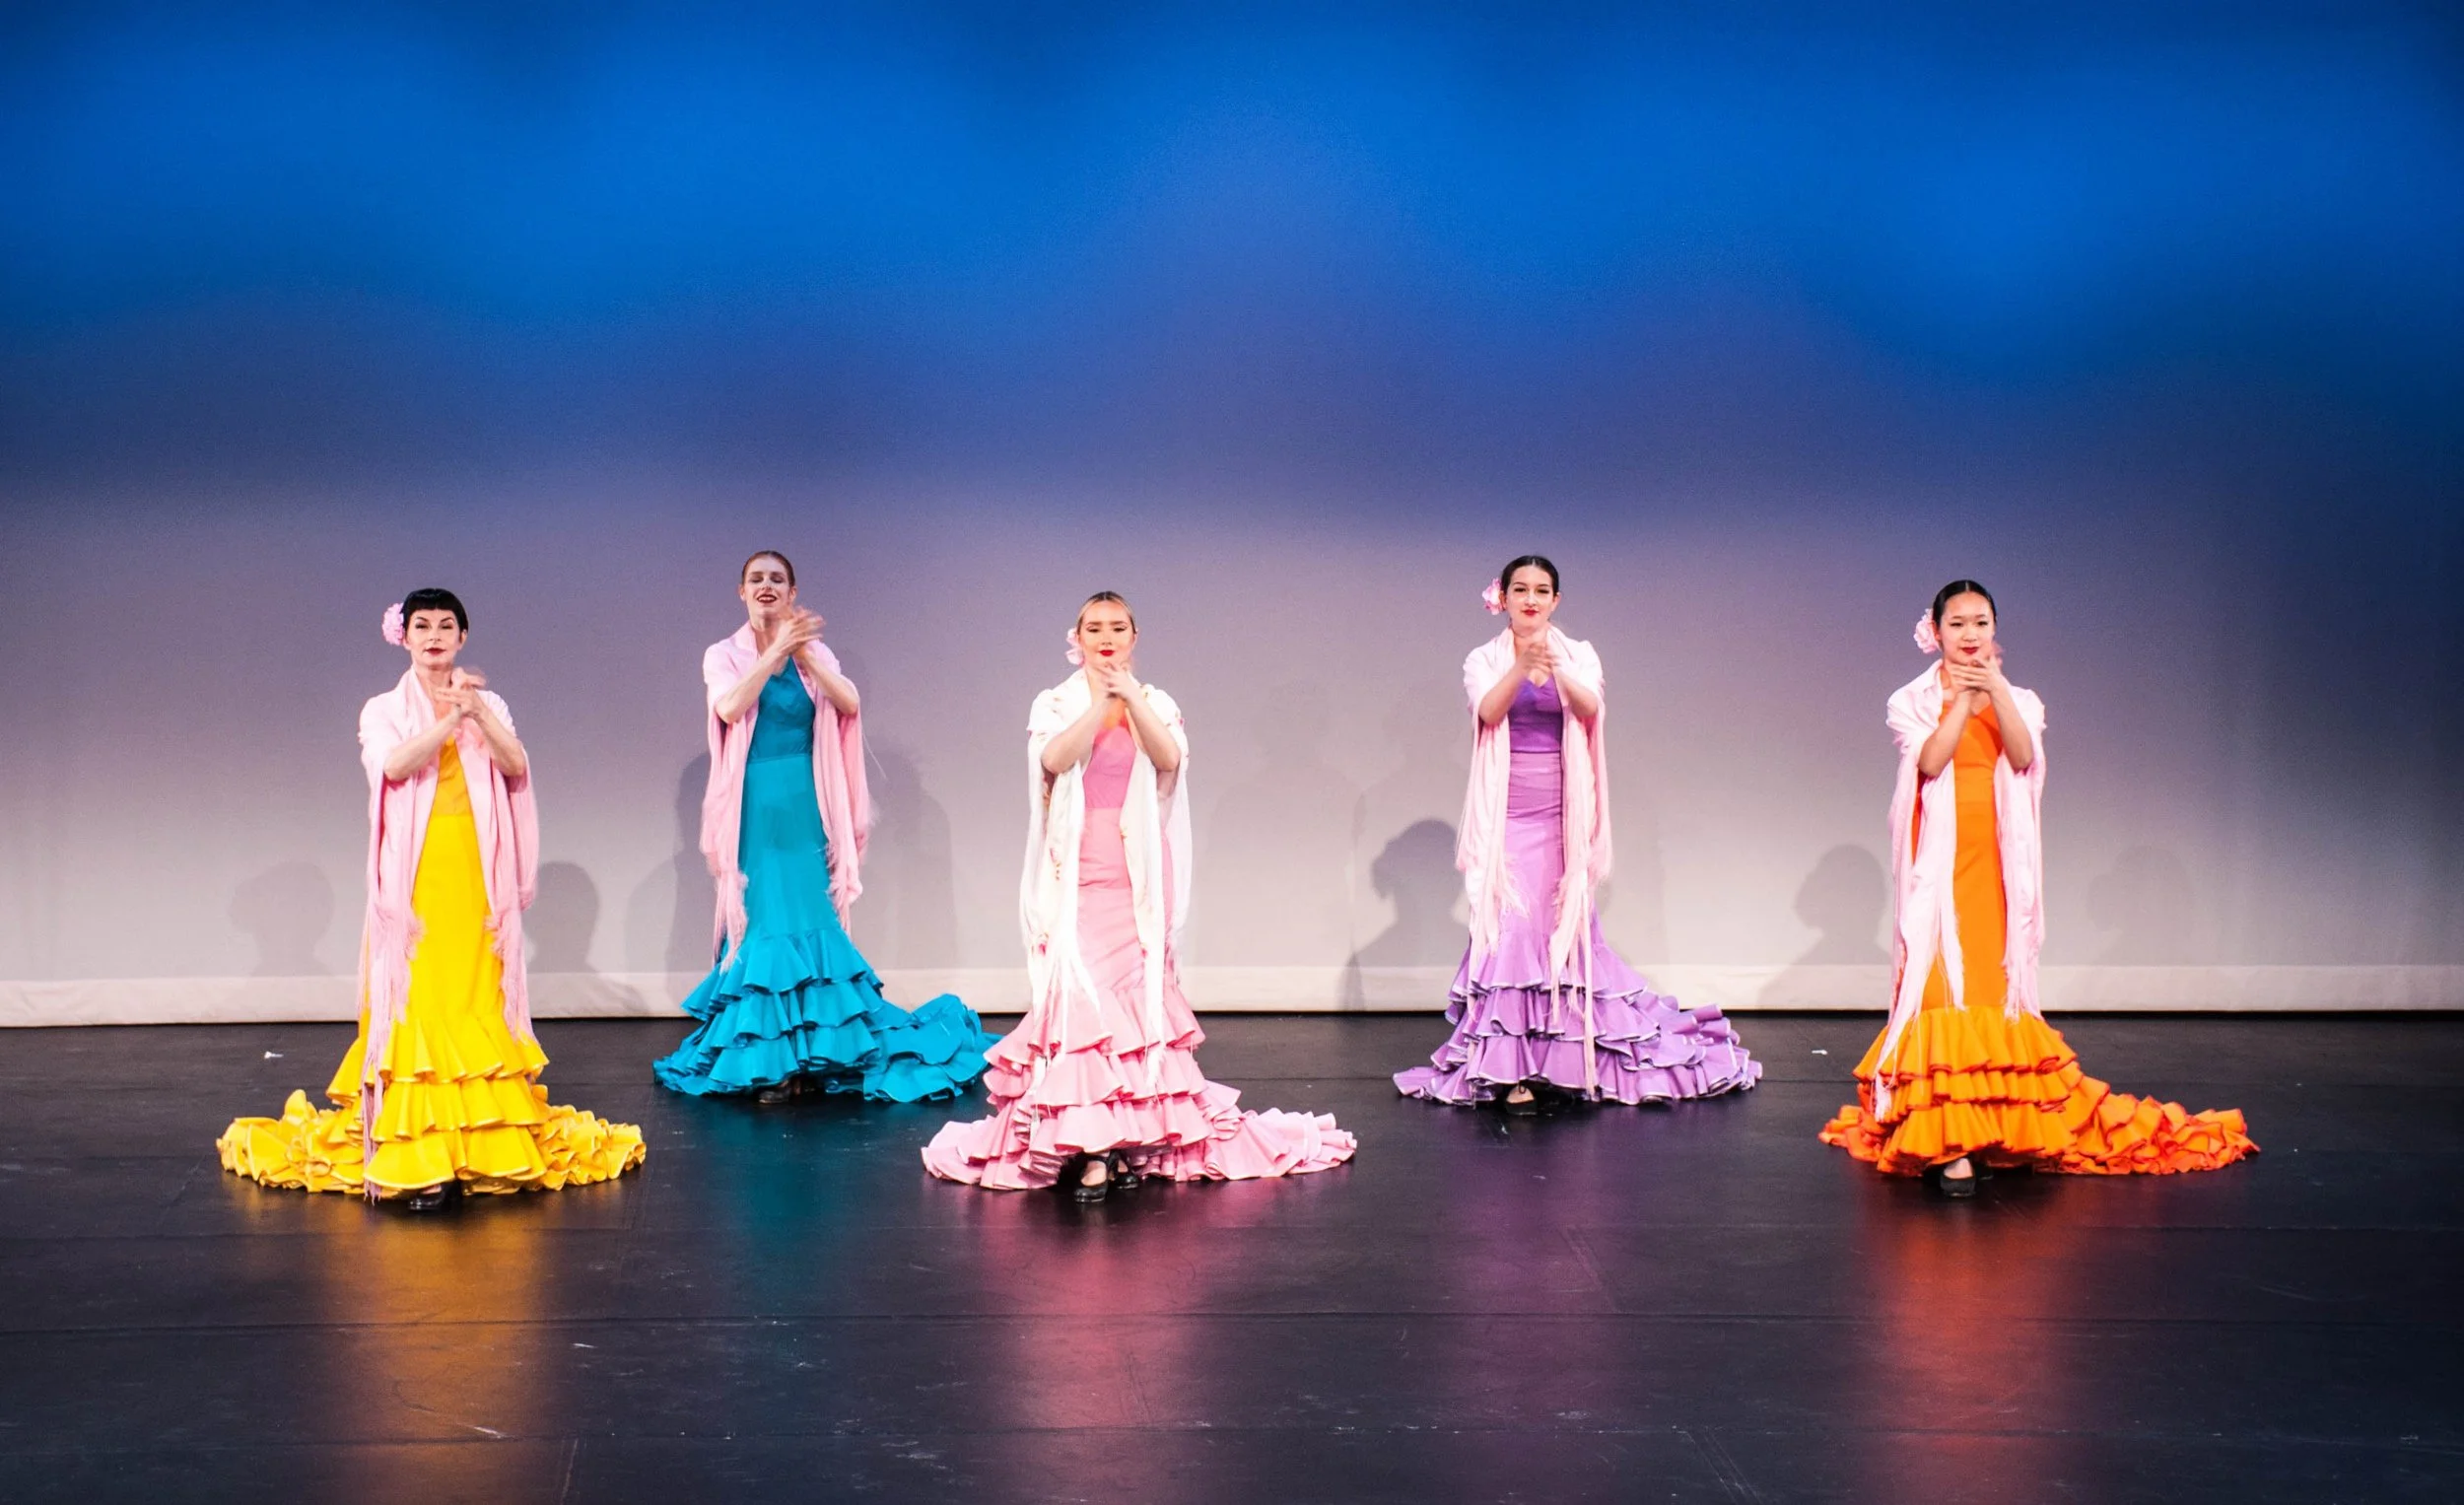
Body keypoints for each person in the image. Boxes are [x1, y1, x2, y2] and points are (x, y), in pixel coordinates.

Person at [1819, 581, 2256, 1196]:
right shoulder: (1910, 699)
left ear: (1995, 629)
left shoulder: (2021, 697)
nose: (1970, 635)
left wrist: (1994, 691)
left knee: (1992, 992)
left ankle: (1993, 1130)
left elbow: (2023, 757)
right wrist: (1963, 707)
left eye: (1981, 622)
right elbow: (1929, 762)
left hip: (1998, 867)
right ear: (1936, 632)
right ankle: (1951, 1145)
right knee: (1941, 990)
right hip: (1937, 872)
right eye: (1958, 624)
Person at [218, 590, 645, 1209]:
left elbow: (516, 763)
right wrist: (446, 722)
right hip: (415, 875)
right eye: (423, 625)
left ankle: (480, 1144)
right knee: (419, 998)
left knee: (473, 992)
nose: (435, 635)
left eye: (447, 625)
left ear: (463, 637)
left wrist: (475, 712)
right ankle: (420, 1153)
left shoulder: (487, 702)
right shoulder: (383, 708)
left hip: (475, 867)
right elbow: (392, 767)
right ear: (404, 637)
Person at [923, 591, 1355, 1199]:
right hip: (1074, 875)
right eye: (1094, 627)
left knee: (1132, 1011)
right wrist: (1097, 702)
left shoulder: (1156, 702)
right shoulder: (1056, 703)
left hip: (1138, 878)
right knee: (1085, 1009)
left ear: (1134, 637)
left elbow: (1169, 758)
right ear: (1076, 636)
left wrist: (1127, 698)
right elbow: (1052, 760)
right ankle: (1089, 1145)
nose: (1106, 637)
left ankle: (1122, 1138)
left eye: (1118, 628)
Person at [1396, 556, 1761, 1110]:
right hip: (1507, 823)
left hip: (1564, 819)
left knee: (1563, 938)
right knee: (1512, 937)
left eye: (1542, 591)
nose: (1531, 600)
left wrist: (1556, 668)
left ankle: (1567, 1057)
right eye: (1520, 589)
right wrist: (1521, 669)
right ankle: (1512, 1067)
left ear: (1556, 601)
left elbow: (1591, 707)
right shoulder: (1484, 658)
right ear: (1504, 598)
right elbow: (1487, 711)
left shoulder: (1579, 653)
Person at [654, 551, 990, 1103]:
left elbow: (849, 700)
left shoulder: (814, 653)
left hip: (807, 799)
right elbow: (730, 708)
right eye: (756, 579)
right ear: (741, 591)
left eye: (777, 579)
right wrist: (774, 654)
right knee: (766, 919)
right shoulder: (724, 654)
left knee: (812, 915)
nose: (767, 586)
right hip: (755, 802)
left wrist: (804, 652)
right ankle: (774, 1059)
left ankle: (818, 1053)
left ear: (792, 591)